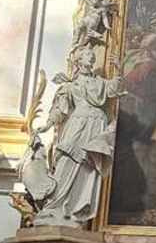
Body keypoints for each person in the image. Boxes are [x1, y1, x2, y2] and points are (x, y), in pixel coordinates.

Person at [35, 46, 122, 225]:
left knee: (87, 167)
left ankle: (75, 211)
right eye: (88, 55)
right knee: (66, 161)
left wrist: (118, 71)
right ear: (78, 60)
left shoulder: (100, 82)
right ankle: (54, 206)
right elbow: (60, 110)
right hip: (77, 124)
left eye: (92, 55)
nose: (91, 57)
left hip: (96, 125)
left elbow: (114, 89)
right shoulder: (70, 85)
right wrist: (48, 125)